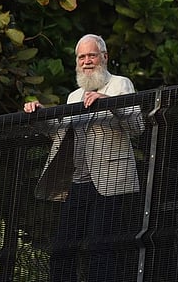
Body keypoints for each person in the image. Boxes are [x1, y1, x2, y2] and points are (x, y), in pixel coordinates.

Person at [23, 34, 145, 282]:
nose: (87, 61)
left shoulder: (121, 84)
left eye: (92, 55)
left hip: (112, 181)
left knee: (102, 249)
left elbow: (138, 127)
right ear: (77, 62)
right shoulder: (74, 97)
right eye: (82, 57)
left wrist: (109, 103)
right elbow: (59, 136)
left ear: (104, 57)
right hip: (78, 182)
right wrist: (39, 116)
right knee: (62, 249)